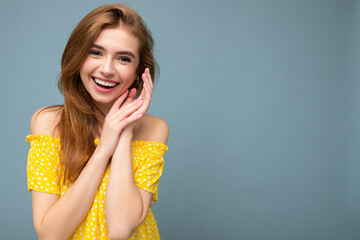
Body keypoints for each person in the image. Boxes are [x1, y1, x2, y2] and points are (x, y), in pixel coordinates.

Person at [26, 4, 169, 240]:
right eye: (95, 52)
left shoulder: (154, 129)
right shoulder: (48, 123)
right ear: (78, 56)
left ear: (138, 72)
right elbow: (50, 235)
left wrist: (124, 134)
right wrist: (103, 149)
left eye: (123, 58)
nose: (106, 69)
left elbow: (120, 230)